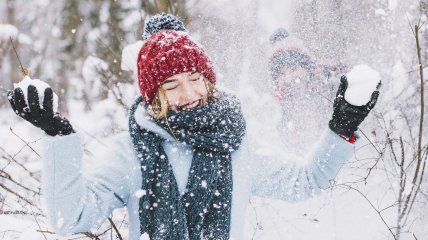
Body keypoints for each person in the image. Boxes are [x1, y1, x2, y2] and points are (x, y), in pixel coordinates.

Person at [7, 14, 379, 240]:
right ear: (153, 97)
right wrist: (58, 136)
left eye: (194, 79)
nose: (187, 94)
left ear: (209, 80)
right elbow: (69, 218)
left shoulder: (237, 144)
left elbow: (306, 181)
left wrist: (341, 127)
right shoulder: (130, 152)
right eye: (170, 85)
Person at [268, 28, 348, 155]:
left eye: (293, 69)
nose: (288, 78)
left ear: (307, 68)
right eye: (282, 74)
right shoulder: (281, 105)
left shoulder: (330, 87)